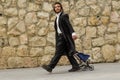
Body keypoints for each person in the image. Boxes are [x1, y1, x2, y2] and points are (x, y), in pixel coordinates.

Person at [42, 2, 80, 72]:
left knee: (58, 52)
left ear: (61, 8)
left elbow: (69, 25)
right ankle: (76, 66)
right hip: (60, 37)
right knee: (69, 52)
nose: (57, 8)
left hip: (64, 37)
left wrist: (73, 33)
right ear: (54, 9)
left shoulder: (64, 16)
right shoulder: (57, 18)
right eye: (56, 7)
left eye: (58, 6)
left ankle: (50, 67)